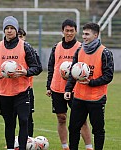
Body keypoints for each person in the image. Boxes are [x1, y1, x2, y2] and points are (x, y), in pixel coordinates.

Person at [0, 16, 42, 150]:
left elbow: (37, 68)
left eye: (12, 28)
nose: (9, 31)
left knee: (24, 121)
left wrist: (26, 72)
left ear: (16, 30)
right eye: (7, 28)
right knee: (9, 123)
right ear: (4, 30)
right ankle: (11, 148)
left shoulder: (25, 46)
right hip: (4, 92)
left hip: (22, 91)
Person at [64, 22, 114, 150]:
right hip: (79, 97)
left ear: (96, 35)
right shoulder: (79, 50)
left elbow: (108, 76)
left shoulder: (105, 52)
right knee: (73, 128)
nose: (84, 37)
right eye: (83, 34)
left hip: (96, 98)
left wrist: (91, 83)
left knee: (97, 129)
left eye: (87, 34)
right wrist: (68, 89)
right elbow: (73, 73)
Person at [46, 19, 93, 150]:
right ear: (62, 31)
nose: (69, 33)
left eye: (72, 31)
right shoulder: (56, 47)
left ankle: (89, 146)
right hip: (57, 88)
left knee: (82, 120)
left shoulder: (81, 47)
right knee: (61, 118)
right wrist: (48, 86)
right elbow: (51, 67)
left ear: (76, 31)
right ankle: (64, 146)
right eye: (67, 30)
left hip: (75, 90)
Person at [18, 27, 42, 137]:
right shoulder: (7, 50)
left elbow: (38, 68)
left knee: (27, 116)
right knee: (12, 117)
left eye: (21, 36)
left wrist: (26, 72)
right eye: (18, 36)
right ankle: (14, 141)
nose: (20, 39)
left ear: (25, 37)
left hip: (27, 89)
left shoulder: (30, 50)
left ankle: (29, 139)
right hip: (10, 90)